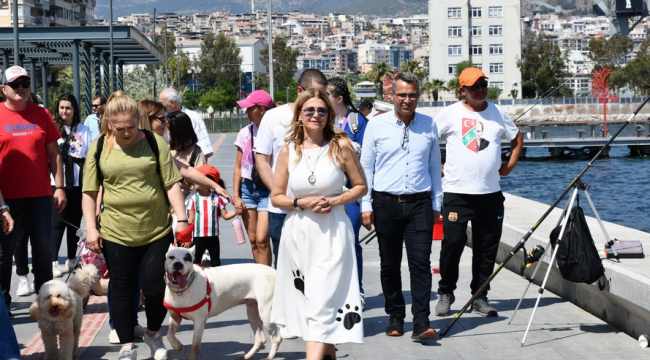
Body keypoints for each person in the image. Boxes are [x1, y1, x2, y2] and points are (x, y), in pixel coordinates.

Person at [82, 92, 188, 360]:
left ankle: (153, 335)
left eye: (131, 125)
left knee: (154, 287)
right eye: (120, 128)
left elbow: (171, 183)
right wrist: (91, 228)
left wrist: (182, 218)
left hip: (156, 230)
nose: (127, 132)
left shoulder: (154, 142)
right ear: (108, 123)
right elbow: (89, 192)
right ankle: (127, 344)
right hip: (116, 231)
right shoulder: (98, 147)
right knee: (122, 286)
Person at [270, 88, 367, 360]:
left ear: (329, 114)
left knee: (322, 301)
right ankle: (328, 353)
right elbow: (277, 197)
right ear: (299, 114)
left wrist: (335, 201)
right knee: (312, 301)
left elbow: (360, 187)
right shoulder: (288, 150)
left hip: (333, 232)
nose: (316, 115)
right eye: (309, 110)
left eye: (322, 110)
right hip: (299, 233)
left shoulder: (341, 145)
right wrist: (302, 203)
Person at [434, 67, 523, 318]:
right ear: (463, 90)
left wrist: (510, 165)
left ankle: (480, 296)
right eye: (474, 86)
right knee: (452, 244)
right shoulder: (450, 114)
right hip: (457, 193)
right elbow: (429, 140)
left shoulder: (498, 113)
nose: (481, 89)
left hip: (490, 194)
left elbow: (517, 138)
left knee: (487, 248)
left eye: (483, 84)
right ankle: (446, 291)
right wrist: (435, 167)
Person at [360, 72, 443, 340]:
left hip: (419, 204)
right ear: (392, 96)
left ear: (418, 96)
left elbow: (433, 167)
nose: (407, 100)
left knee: (420, 264)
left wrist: (436, 203)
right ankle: (395, 315)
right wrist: (366, 204)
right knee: (389, 264)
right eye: (402, 95)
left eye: (412, 95)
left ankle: (422, 322)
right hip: (385, 203)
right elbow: (366, 167)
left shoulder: (429, 125)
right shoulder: (376, 125)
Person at [0, 66, 66, 316]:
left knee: (43, 249)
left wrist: (59, 187)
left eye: (25, 83)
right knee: (4, 253)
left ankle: (46, 302)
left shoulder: (42, 114)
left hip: (39, 195)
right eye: (15, 84)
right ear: (3, 89)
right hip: (6, 199)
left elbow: (54, 154)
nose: (21, 88)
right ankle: (3, 303)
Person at [255, 69, 329, 268]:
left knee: (318, 266)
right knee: (287, 269)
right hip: (282, 210)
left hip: (317, 208)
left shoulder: (325, 118)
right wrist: (279, 193)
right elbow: (262, 160)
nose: (318, 101)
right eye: (313, 93)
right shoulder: (273, 117)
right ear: (299, 91)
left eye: (323, 96)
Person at [327, 77, 369, 300]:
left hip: (351, 192)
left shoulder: (357, 122)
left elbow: (367, 160)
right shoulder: (322, 121)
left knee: (350, 241)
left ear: (339, 98)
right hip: (328, 191)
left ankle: (357, 291)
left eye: (327, 95)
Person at [49, 94, 92, 278]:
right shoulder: (52, 128)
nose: (64, 111)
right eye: (61, 107)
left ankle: (72, 259)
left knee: (74, 222)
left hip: (77, 182)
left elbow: (89, 155)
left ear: (74, 110)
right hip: (57, 182)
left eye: (68, 108)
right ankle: (52, 261)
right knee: (57, 223)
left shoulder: (83, 130)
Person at [233, 90, 275, 266]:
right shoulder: (245, 132)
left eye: (250, 108)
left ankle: (267, 282)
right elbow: (238, 167)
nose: (247, 112)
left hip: (267, 189)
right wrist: (236, 196)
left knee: (262, 239)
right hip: (248, 189)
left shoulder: (275, 131)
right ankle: (259, 279)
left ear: (262, 110)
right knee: (252, 239)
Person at [187, 165, 235, 267]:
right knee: (195, 263)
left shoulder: (217, 198)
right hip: (198, 237)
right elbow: (191, 221)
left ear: (208, 183)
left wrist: (237, 211)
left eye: (199, 178)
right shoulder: (193, 199)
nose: (195, 180)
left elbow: (225, 215)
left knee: (216, 263)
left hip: (213, 237)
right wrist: (187, 238)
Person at [158, 88, 213, 159]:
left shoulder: (194, 118)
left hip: (189, 166)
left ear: (172, 103)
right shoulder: (161, 119)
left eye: (161, 103)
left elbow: (205, 149)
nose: (160, 106)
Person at [167, 111, 206, 199]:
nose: (167, 131)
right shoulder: (166, 148)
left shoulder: (196, 152)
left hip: (186, 202)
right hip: (166, 202)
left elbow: (201, 182)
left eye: (169, 128)